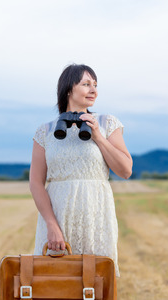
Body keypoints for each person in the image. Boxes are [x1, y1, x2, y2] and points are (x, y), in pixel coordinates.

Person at [29, 63, 132, 277]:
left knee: (95, 282)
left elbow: (125, 170)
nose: (93, 90)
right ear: (68, 89)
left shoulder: (107, 123)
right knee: (54, 283)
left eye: (95, 85)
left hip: (96, 215)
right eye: (86, 84)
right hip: (58, 216)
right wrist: (51, 225)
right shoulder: (46, 131)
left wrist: (98, 137)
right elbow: (36, 183)